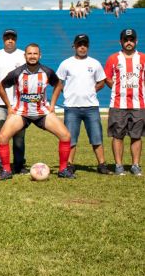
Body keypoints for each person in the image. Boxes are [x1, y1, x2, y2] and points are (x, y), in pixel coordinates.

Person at [0, 43, 73, 179]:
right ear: (24, 55)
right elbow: (0, 86)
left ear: (40, 55)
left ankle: (63, 170)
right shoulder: (17, 72)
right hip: (21, 113)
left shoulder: (47, 72)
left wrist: (53, 105)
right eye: (29, 53)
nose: (32, 56)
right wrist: (9, 106)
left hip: (42, 113)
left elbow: (58, 85)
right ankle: (7, 171)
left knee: (66, 135)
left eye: (35, 54)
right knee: (2, 137)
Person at [56, 34, 109, 174]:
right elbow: (58, 82)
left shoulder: (95, 63)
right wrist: (65, 93)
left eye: (85, 44)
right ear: (74, 46)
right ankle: (69, 164)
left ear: (88, 46)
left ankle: (102, 164)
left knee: (97, 137)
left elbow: (102, 81)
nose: (82, 47)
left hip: (91, 107)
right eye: (79, 44)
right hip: (72, 107)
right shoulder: (66, 63)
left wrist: (93, 90)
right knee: (70, 138)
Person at [0, 29, 27, 173]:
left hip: (18, 103)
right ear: (3, 39)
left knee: (19, 135)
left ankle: (19, 164)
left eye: (12, 38)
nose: (10, 40)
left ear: (16, 39)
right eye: (7, 38)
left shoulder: (23, 55)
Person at [104, 28, 145, 176]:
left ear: (136, 41)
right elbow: (108, 78)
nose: (129, 42)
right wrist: (118, 89)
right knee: (117, 135)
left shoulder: (143, 58)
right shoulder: (113, 58)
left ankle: (135, 165)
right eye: (126, 40)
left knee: (136, 135)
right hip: (118, 104)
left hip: (138, 104)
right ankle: (119, 165)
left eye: (131, 40)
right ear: (120, 41)